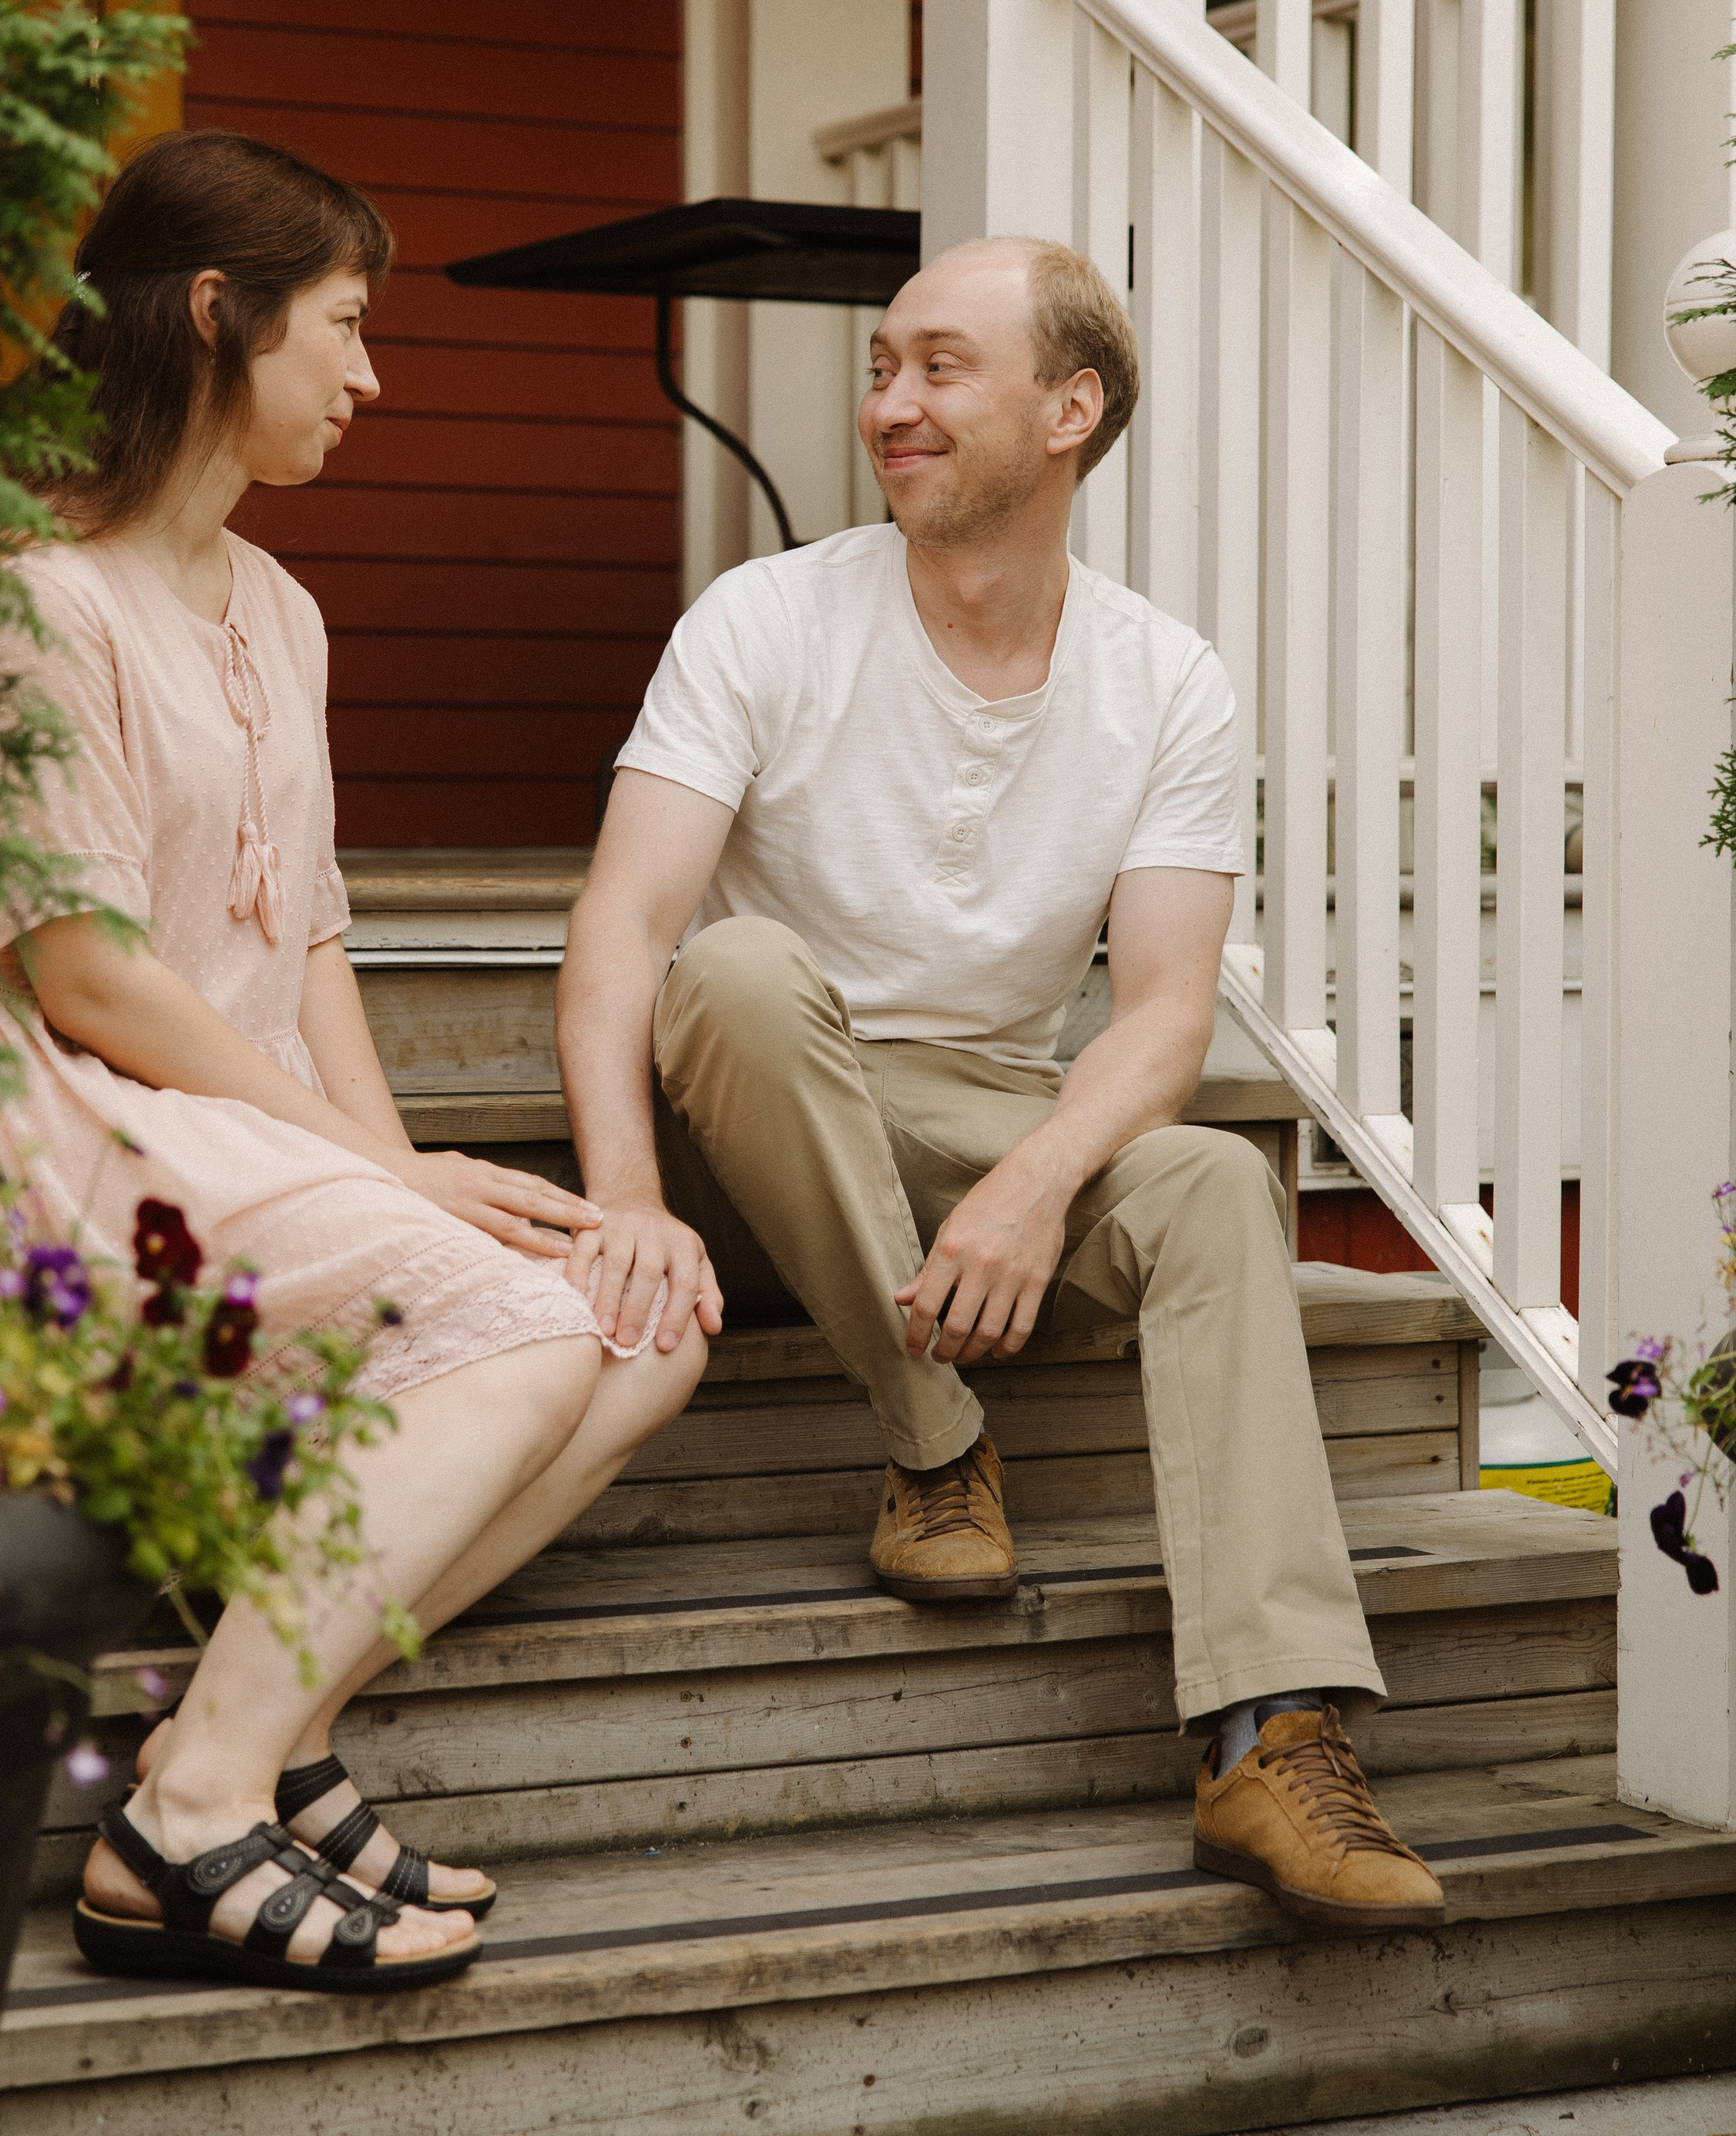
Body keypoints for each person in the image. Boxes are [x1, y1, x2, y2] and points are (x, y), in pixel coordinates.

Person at [0, 129, 714, 1994]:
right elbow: (91, 976)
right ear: (216, 315)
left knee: (641, 1322)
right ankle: (182, 1812)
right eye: (342, 327)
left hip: (238, 1126)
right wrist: (388, 1189)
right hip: (68, 1129)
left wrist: (395, 1161)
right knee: (514, 1328)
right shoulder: (32, 602)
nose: (370, 376)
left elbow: (314, 938)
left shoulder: (285, 608)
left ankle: (263, 1734)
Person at [554, 233, 1443, 1934]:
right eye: (881, 365)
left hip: (973, 1121)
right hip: (757, 1126)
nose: (889, 401)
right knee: (730, 970)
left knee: (1206, 1184)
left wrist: (1037, 1178)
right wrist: (623, 1199)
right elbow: (622, 927)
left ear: (1068, 406)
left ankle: (1270, 1735)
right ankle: (931, 1439)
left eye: (938, 367)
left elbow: (1164, 1013)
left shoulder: (1161, 678)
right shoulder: (763, 619)